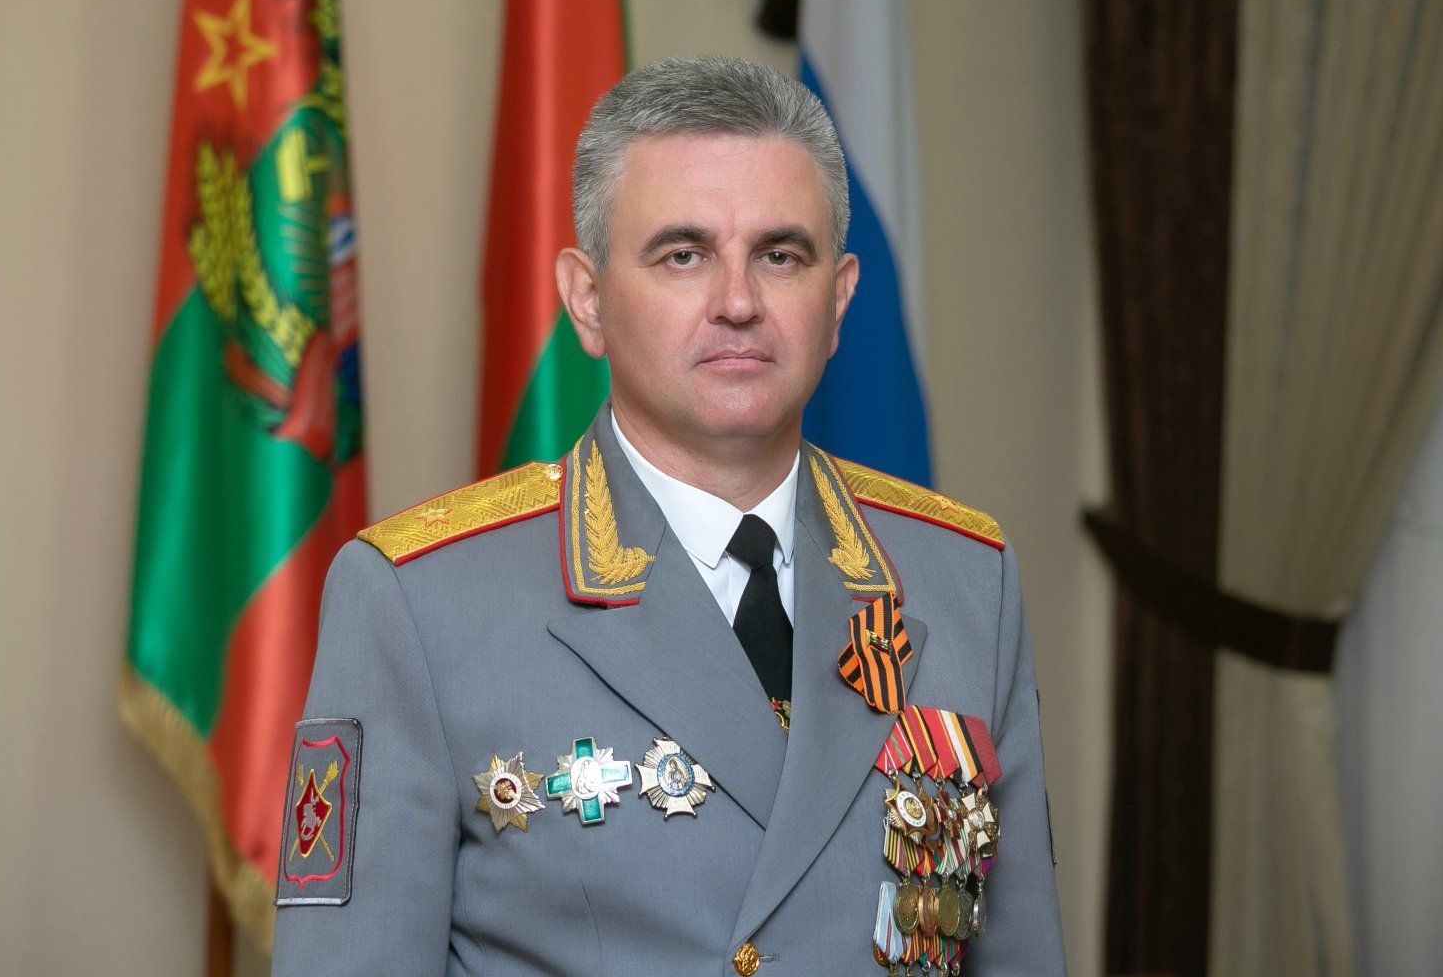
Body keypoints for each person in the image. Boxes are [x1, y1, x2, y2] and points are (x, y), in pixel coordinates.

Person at [271, 55, 1065, 976]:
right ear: (588, 300)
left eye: (780, 256)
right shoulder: (421, 604)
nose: (739, 303)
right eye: (683, 255)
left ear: (840, 299)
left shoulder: (965, 581)